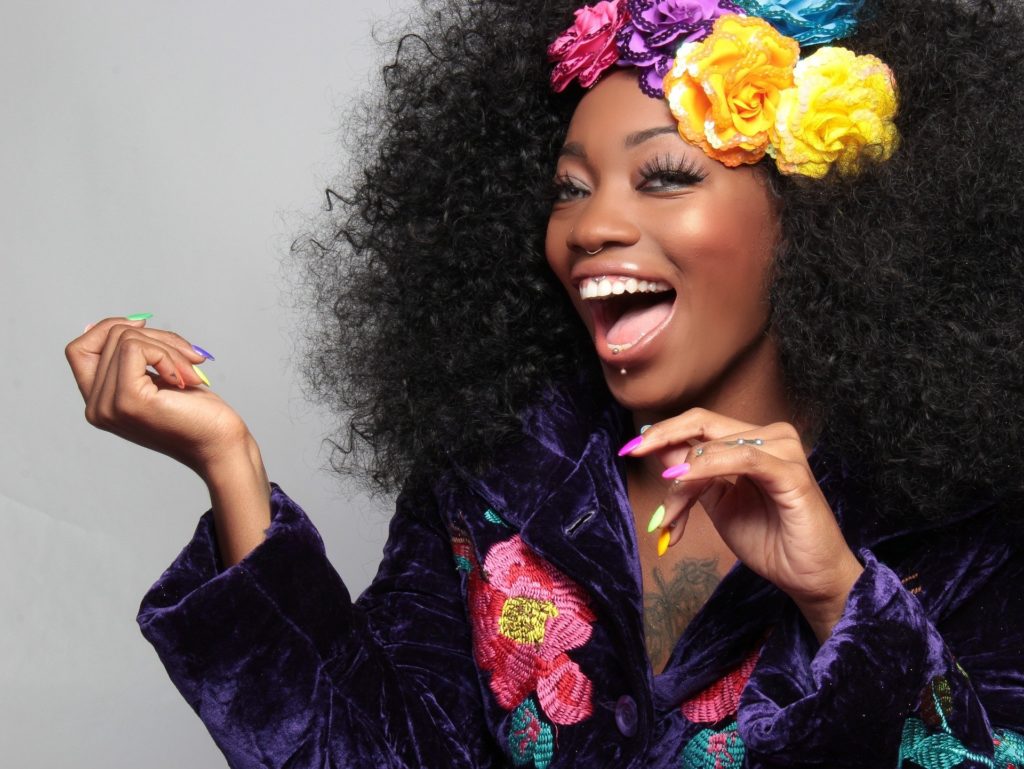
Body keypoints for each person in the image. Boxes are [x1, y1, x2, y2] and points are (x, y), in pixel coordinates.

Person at [65, 0, 1024, 765]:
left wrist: (838, 599)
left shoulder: (962, 523)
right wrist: (230, 469)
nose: (591, 226)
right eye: (571, 186)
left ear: (816, 220)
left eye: (663, 177)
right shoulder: (497, 478)